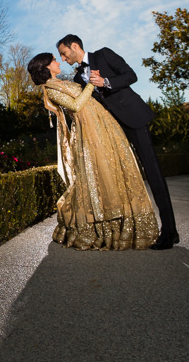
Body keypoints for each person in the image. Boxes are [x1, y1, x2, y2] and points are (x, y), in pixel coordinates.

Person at [55, 35, 179, 250]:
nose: (64, 59)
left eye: (64, 54)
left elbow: (131, 76)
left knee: (153, 173)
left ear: (74, 46)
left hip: (133, 118)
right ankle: (129, 230)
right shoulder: (77, 79)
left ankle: (169, 231)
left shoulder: (104, 54)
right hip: (110, 130)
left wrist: (106, 82)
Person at [27, 52, 159, 251]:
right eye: (53, 60)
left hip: (101, 123)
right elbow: (75, 105)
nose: (57, 62)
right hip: (89, 131)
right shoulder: (50, 89)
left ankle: (127, 222)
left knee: (115, 168)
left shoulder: (61, 82)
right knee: (99, 174)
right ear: (45, 68)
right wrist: (90, 83)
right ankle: (103, 227)